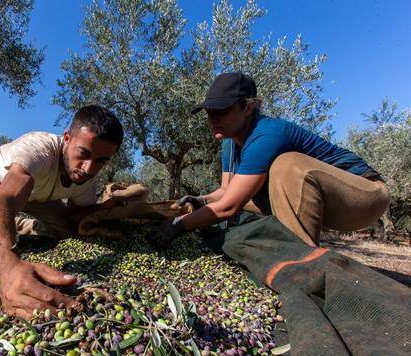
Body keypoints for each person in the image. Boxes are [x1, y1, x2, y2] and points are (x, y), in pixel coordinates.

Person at [150, 72, 390, 248]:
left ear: (249, 107)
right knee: (248, 190)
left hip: (365, 195)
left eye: (222, 110)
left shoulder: (267, 134)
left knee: (287, 165)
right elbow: (226, 192)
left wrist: (177, 225)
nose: (213, 118)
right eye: (209, 112)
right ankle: (290, 254)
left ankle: (302, 263)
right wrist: (201, 200)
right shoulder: (229, 141)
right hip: (322, 199)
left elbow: (228, 207)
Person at [0, 105, 125, 319]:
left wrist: (106, 210)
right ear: (67, 138)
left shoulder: (87, 176)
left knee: (68, 232)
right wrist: (7, 269)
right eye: (83, 153)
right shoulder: (38, 150)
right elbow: (4, 201)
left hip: (36, 193)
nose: (88, 168)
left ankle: (17, 224)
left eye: (101, 161)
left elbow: (76, 216)